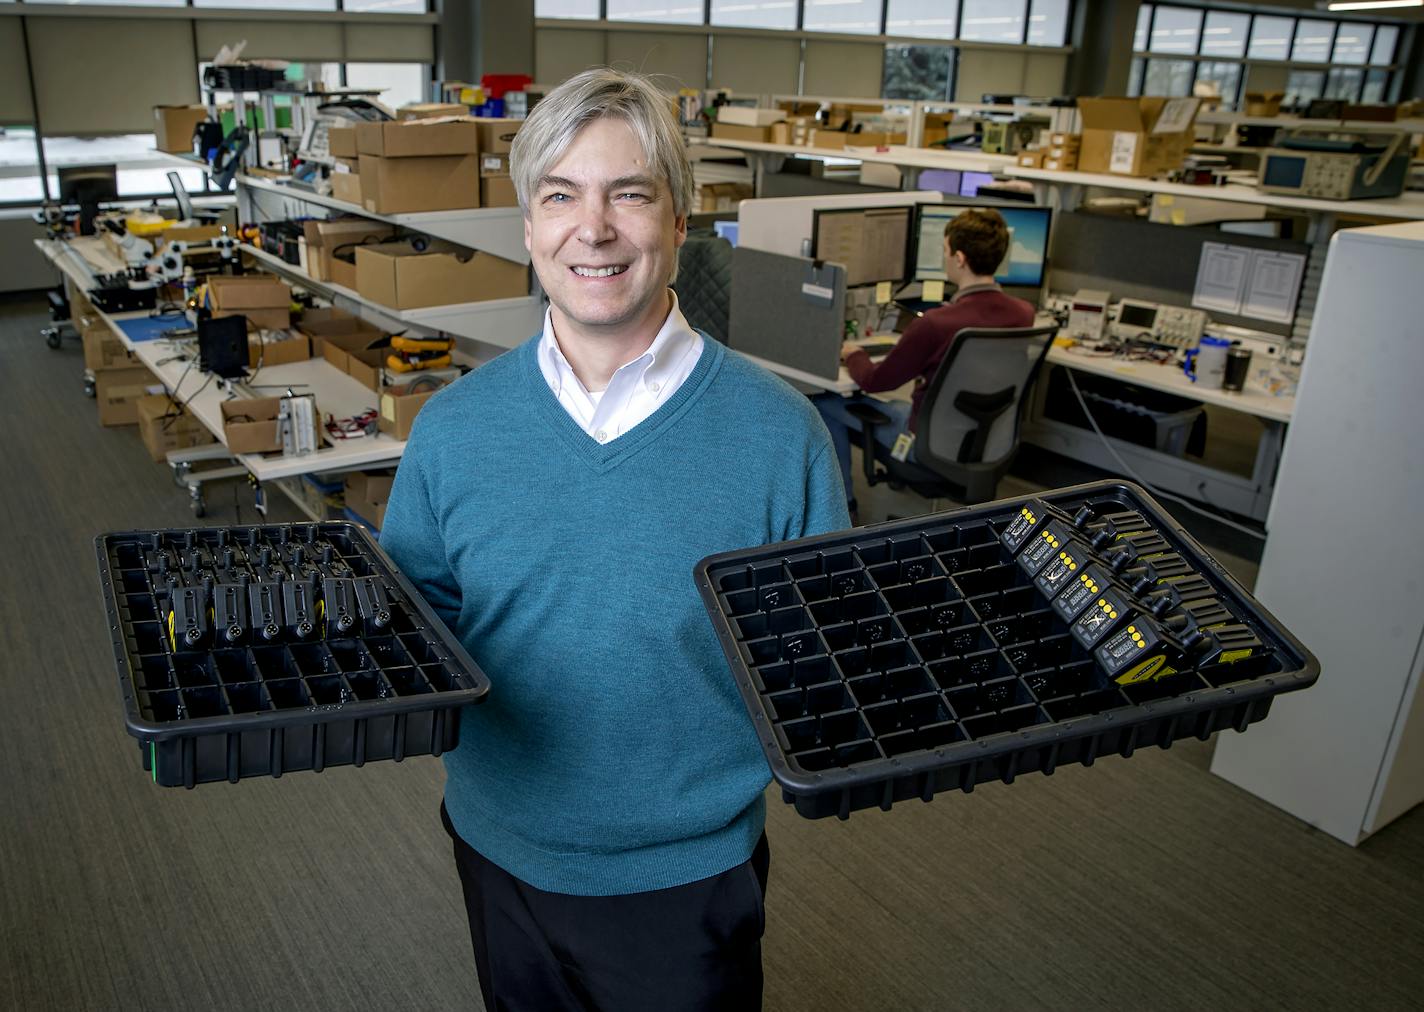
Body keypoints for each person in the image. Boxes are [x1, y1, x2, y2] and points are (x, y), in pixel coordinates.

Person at [379, 68, 848, 1012]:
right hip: (498, 844)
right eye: (560, 195)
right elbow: (414, 621)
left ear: (680, 222)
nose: (591, 230)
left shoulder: (779, 433)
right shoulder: (454, 427)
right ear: (528, 225)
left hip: (686, 873)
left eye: (628, 194)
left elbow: (822, 656)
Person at [813, 208, 1035, 515]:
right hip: (989, 440)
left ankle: (842, 511)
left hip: (929, 445)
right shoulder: (1023, 314)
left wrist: (854, 354)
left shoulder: (937, 323)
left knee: (824, 403)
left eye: (945, 252)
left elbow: (877, 381)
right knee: (899, 406)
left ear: (959, 259)